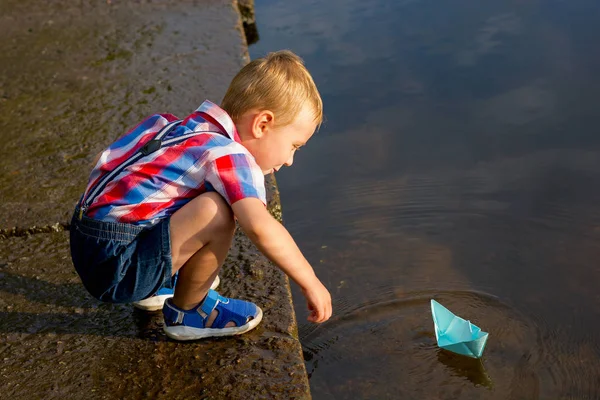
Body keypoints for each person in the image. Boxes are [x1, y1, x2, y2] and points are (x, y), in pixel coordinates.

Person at [69, 50, 332, 341]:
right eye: (294, 145)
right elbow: (260, 226)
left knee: (190, 194)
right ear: (263, 124)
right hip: (117, 270)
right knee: (217, 211)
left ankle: (161, 285)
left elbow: (109, 166)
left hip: (89, 239)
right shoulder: (230, 155)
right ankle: (188, 311)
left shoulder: (180, 129)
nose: (290, 160)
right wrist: (310, 282)